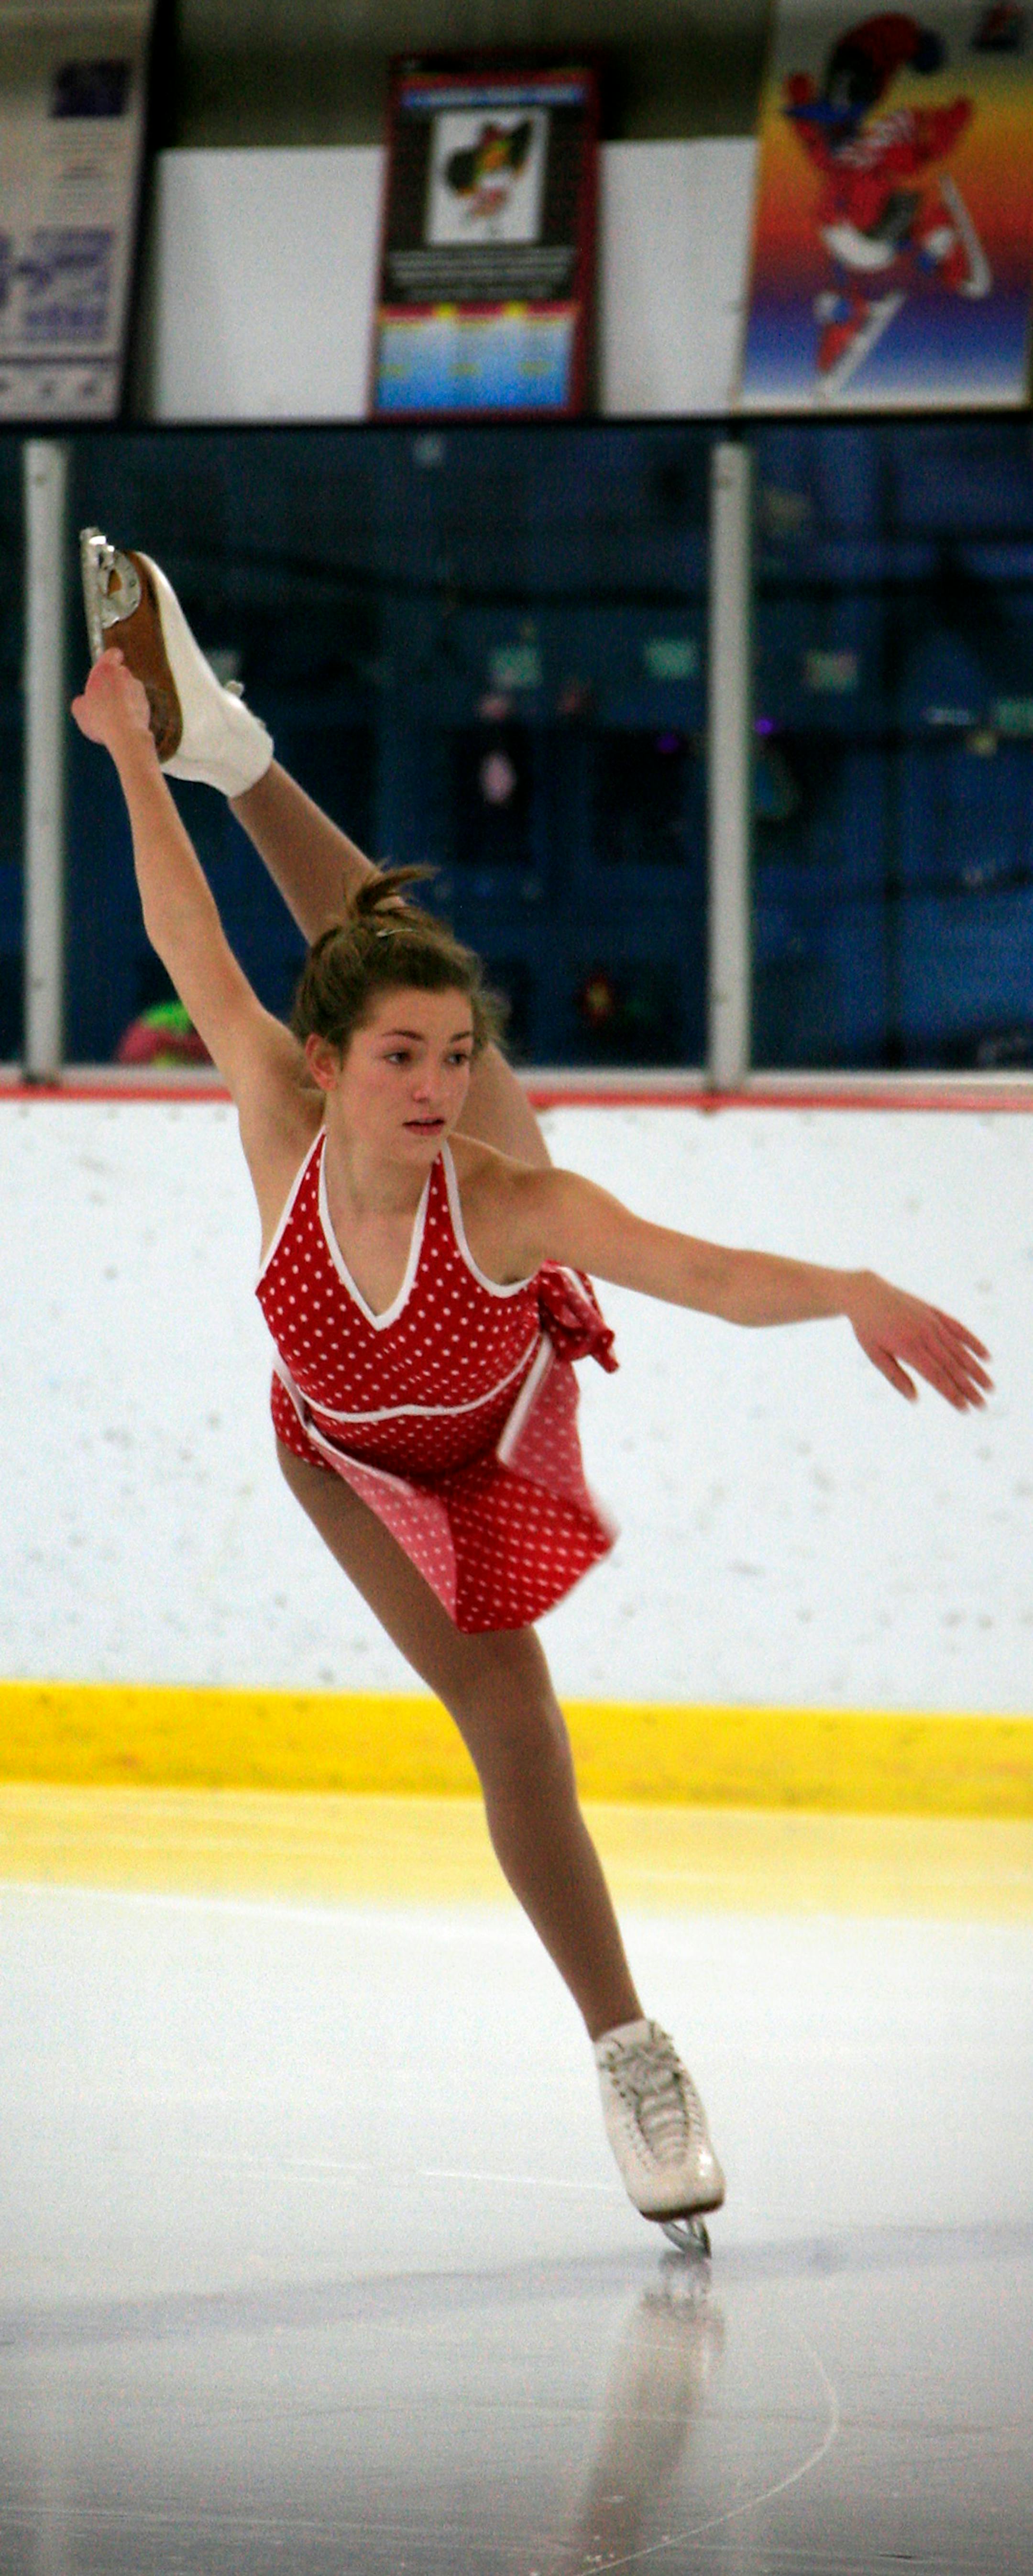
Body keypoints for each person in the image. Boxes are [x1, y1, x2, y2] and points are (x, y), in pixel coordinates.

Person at [71, 545, 992, 2244]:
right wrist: (132, 754)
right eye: (404, 1061)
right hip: (341, 1457)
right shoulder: (279, 1110)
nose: (439, 1086)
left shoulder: (498, 1188)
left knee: (522, 1727)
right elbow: (186, 931)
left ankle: (629, 2050)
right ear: (329, 1069)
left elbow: (703, 1274)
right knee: (494, 1717)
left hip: (492, 1433)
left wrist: (850, 1288)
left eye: (460, 1056)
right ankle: (233, 751)